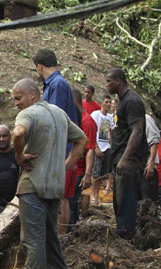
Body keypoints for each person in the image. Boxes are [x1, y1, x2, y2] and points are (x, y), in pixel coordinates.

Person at [12, 78, 87, 269]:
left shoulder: (30, 113)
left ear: (32, 95)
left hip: (32, 186)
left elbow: (17, 134)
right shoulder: (59, 114)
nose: (16, 103)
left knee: (33, 240)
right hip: (55, 187)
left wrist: (19, 157)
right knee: (51, 239)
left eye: (18, 98)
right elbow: (82, 140)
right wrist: (64, 166)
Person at [33, 49, 79, 233]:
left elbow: (55, 118)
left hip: (61, 149)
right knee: (63, 196)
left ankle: (59, 237)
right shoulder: (56, 84)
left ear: (40, 66)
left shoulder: (57, 85)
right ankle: (62, 237)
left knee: (59, 197)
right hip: (63, 148)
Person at [105, 68, 148, 240]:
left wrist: (125, 158)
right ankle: (124, 233)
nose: (106, 85)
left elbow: (137, 131)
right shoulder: (121, 101)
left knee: (126, 201)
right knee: (119, 201)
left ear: (119, 81)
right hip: (120, 158)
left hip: (128, 160)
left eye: (109, 81)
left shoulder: (132, 100)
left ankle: (127, 238)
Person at [69, 89, 96, 224]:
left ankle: (71, 229)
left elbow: (91, 149)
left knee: (72, 203)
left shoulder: (87, 122)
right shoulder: (75, 119)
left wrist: (87, 174)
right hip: (71, 167)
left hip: (79, 171)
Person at [90, 95, 114, 205]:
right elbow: (92, 132)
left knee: (101, 174)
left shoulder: (109, 117)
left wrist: (110, 141)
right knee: (95, 173)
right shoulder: (96, 115)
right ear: (102, 103)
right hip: (97, 147)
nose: (109, 104)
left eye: (110, 102)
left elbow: (109, 130)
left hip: (106, 147)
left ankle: (97, 195)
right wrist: (96, 147)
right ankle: (92, 195)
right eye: (107, 102)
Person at [141, 114, 160, 201]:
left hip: (147, 166)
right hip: (136, 166)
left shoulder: (146, 119)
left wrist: (151, 163)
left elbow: (154, 140)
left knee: (148, 200)